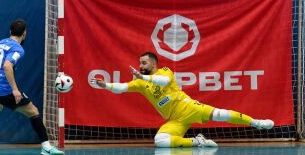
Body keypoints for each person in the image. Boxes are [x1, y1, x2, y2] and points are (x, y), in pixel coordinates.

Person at [93, 52, 274, 148]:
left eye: (144, 63)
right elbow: (122, 88)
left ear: (153, 64)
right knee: (160, 141)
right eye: (140, 63)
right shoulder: (140, 83)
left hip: (188, 107)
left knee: (220, 114)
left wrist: (142, 76)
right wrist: (105, 85)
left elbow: (162, 81)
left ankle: (256, 122)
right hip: (175, 119)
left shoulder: (164, 71)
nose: (141, 65)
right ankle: (197, 141)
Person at [0, 19, 64, 155]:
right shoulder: (18, 49)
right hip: (4, 89)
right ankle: (46, 147)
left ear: (10, 31)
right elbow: (7, 66)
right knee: (33, 111)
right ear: (24, 33)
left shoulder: (0, 44)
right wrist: (15, 90)